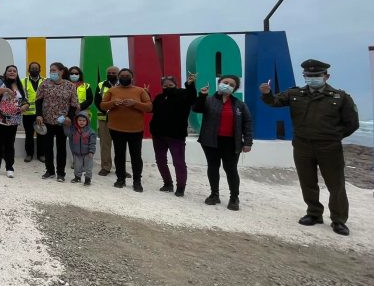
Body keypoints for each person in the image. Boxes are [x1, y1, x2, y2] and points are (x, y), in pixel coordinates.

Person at [261, 59, 359, 236]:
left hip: (329, 148)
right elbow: (274, 102)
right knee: (308, 182)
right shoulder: (295, 94)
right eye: (309, 76)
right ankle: (314, 213)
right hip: (302, 146)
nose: (312, 78)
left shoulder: (340, 97)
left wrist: (334, 136)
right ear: (304, 76)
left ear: (326, 76)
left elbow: (352, 123)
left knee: (335, 185)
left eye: (317, 75)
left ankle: (338, 220)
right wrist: (267, 93)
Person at [193, 75, 253, 210]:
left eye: (232, 85)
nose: (228, 85)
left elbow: (247, 123)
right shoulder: (208, 100)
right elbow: (196, 108)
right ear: (219, 83)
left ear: (235, 89)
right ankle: (214, 195)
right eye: (225, 82)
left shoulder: (239, 104)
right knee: (213, 167)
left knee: (231, 169)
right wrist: (202, 95)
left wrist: (248, 142)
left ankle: (234, 198)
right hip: (210, 141)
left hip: (232, 143)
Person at [99, 68, 152, 192]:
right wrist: (113, 103)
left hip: (135, 129)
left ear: (132, 77)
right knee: (119, 155)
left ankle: (137, 181)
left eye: (127, 75)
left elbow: (149, 107)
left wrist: (135, 104)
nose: (124, 77)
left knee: (136, 157)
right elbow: (102, 105)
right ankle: (120, 179)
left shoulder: (140, 91)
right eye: (122, 75)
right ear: (118, 77)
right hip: (116, 128)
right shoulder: (112, 91)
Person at [149, 73, 197, 196]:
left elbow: (192, 98)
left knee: (179, 162)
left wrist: (190, 85)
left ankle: (180, 187)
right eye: (165, 85)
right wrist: (146, 94)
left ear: (176, 85)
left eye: (171, 84)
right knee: (160, 161)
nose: (168, 87)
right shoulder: (159, 97)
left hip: (176, 136)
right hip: (158, 135)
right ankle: (167, 183)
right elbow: (151, 109)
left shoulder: (183, 94)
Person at [36, 62, 79, 182]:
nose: (52, 72)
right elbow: (38, 100)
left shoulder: (70, 85)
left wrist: (69, 117)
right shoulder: (45, 83)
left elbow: (74, 104)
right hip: (47, 120)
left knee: (61, 148)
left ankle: (61, 173)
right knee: (47, 147)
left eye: (54, 70)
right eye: (51, 70)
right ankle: (49, 171)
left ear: (61, 71)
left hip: (62, 122)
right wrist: (38, 115)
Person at [0, 65, 30, 178]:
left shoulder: (20, 85)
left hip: (13, 120)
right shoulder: (0, 81)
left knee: (9, 145)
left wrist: (25, 106)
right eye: (9, 71)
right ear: (5, 73)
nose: (12, 72)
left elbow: (25, 100)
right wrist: (6, 89)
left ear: (17, 73)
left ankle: (9, 167)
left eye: (14, 71)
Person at [94, 66, 123, 177]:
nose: (111, 74)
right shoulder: (101, 85)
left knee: (120, 145)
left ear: (118, 74)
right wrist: (106, 110)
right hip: (104, 118)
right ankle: (105, 167)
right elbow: (97, 101)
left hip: (120, 119)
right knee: (105, 144)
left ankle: (121, 168)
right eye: (109, 73)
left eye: (113, 73)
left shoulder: (124, 85)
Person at [21, 62, 45, 163]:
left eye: (36, 68)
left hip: (41, 114)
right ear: (28, 70)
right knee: (29, 135)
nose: (34, 70)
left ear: (40, 70)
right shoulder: (23, 81)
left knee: (41, 135)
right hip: (28, 114)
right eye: (32, 68)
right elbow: (20, 96)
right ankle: (29, 154)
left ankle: (41, 154)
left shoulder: (46, 81)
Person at [67, 111, 97, 185]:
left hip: (87, 153)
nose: (82, 122)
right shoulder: (73, 131)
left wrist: (91, 151)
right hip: (77, 153)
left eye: (84, 120)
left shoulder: (91, 132)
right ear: (76, 121)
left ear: (87, 121)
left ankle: (88, 179)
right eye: (80, 120)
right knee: (77, 167)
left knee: (88, 167)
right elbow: (69, 136)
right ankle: (77, 177)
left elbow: (92, 143)